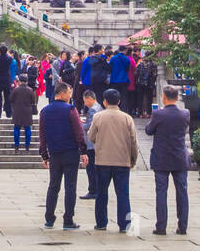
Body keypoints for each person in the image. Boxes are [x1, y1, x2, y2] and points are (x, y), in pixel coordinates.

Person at [86, 89, 138, 232]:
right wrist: (133, 158)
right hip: (122, 160)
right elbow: (133, 141)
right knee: (123, 194)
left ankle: (101, 223)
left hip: (102, 161)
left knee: (101, 193)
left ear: (104, 101)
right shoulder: (127, 118)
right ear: (119, 101)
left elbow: (91, 137)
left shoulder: (98, 117)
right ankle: (125, 225)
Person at [38, 82, 88, 230]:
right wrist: (83, 150)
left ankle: (49, 218)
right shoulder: (71, 110)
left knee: (53, 185)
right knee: (70, 187)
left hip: (54, 153)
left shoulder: (45, 111)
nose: (70, 95)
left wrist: (44, 154)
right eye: (69, 92)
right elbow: (79, 132)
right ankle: (68, 220)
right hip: (70, 152)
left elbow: (42, 135)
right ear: (62, 93)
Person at [146, 85, 191, 236]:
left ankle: (161, 226)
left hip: (161, 158)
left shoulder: (158, 114)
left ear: (163, 98)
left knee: (161, 192)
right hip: (179, 157)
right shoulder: (185, 113)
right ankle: (183, 226)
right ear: (177, 98)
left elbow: (149, 130)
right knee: (182, 192)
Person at [79, 89, 102, 200]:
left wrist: (80, 124)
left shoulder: (93, 110)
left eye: (85, 101)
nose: (85, 104)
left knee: (91, 168)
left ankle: (93, 190)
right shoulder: (99, 107)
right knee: (94, 168)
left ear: (90, 99)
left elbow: (90, 126)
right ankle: (95, 189)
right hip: (97, 143)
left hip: (92, 144)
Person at [10, 74, 37, 152]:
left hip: (17, 111)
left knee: (16, 128)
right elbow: (33, 101)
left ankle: (17, 145)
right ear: (26, 81)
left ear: (19, 81)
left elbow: (11, 99)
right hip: (27, 111)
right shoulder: (30, 90)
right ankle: (27, 145)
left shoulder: (16, 90)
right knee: (28, 129)